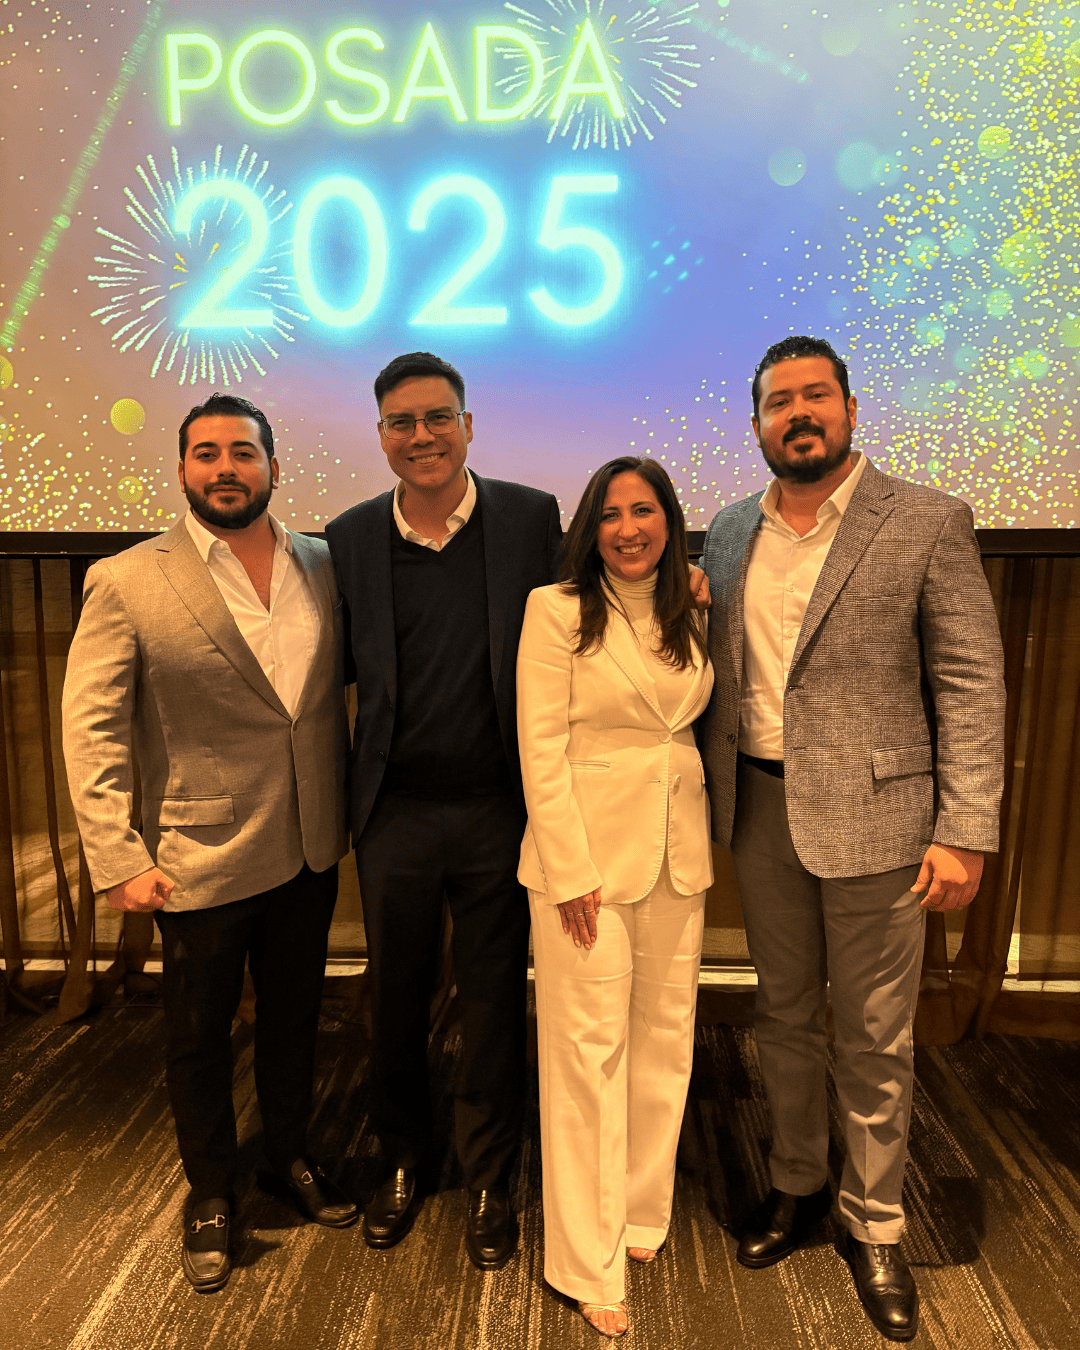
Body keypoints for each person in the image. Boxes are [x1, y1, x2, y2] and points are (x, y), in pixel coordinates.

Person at [699, 336, 1006, 1342]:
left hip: (883, 823)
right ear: (757, 423)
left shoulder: (926, 520)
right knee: (783, 1019)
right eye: (778, 401)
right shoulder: (731, 531)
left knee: (874, 1036)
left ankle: (874, 1222)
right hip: (759, 812)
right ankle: (796, 1183)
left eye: (816, 396)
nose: (799, 414)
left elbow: (970, 682)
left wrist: (965, 829)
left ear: (851, 409)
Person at [62, 393, 356, 1295]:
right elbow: (93, 727)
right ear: (183, 468)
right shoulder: (126, 579)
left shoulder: (323, 563)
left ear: (274, 466)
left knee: (294, 1020)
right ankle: (212, 1191)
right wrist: (117, 856)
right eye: (207, 453)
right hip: (195, 856)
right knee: (196, 1037)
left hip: (308, 843)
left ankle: (289, 1155)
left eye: (243, 452)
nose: (226, 468)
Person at [324, 352, 561, 1271]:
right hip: (396, 814)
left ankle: (491, 1174)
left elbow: (593, 609)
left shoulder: (529, 519)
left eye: (437, 418)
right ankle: (401, 1157)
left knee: (496, 999)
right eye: (401, 422)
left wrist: (687, 588)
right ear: (381, 435)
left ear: (467, 425)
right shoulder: (349, 538)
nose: (420, 436)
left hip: (502, 806)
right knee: (396, 995)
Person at [516, 456, 714, 1338]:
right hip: (586, 866)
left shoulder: (691, 607)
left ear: (669, 520)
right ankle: (585, 1261)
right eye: (610, 514)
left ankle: (639, 1211)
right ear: (588, 528)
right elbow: (540, 747)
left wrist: (696, 591)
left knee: (666, 1042)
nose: (629, 529)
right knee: (586, 1059)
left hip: (679, 857)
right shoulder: (555, 610)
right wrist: (568, 870)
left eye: (644, 511)